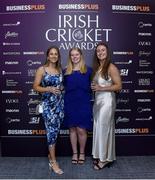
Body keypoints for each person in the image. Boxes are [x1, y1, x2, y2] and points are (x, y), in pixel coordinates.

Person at [33, 46, 64, 175]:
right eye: (51, 54)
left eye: (55, 54)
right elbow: (35, 87)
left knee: (55, 132)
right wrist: (48, 89)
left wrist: (60, 89)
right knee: (51, 133)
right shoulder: (42, 69)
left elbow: (60, 86)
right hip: (48, 107)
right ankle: (53, 161)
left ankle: (50, 156)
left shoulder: (59, 69)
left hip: (59, 105)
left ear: (58, 56)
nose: (53, 56)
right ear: (47, 56)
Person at [91, 42, 122, 170]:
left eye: (103, 50)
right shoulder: (98, 67)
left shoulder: (111, 67)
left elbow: (119, 86)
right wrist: (95, 88)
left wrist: (101, 88)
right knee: (99, 129)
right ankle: (100, 155)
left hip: (107, 102)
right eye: (98, 51)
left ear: (107, 52)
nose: (100, 52)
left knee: (104, 130)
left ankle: (104, 160)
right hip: (98, 102)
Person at [64, 47, 93, 164]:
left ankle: (82, 153)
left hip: (83, 103)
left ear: (81, 55)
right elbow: (62, 87)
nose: (74, 57)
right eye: (72, 55)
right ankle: (74, 153)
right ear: (70, 57)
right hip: (70, 103)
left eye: (77, 54)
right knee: (72, 129)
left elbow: (95, 84)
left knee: (81, 130)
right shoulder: (65, 71)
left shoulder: (89, 71)